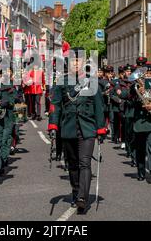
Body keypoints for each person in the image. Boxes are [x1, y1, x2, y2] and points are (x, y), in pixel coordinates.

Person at [48, 47, 106, 214]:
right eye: (73, 60)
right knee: (72, 165)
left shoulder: (92, 82)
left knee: (84, 163)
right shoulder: (61, 82)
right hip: (68, 128)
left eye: (79, 60)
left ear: (83, 62)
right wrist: (53, 125)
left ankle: (82, 198)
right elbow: (56, 106)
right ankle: (75, 192)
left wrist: (100, 129)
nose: (75, 63)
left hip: (87, 128)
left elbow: (98, 107)